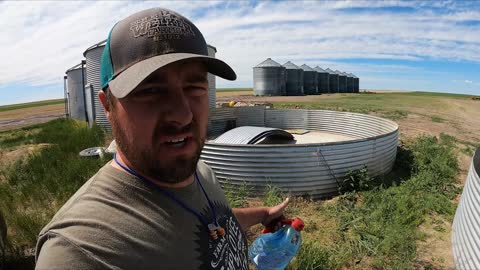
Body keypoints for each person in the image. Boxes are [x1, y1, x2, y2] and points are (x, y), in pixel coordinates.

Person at [35, 7, 289, 270]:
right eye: (151, 90)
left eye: (194, 87)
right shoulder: (80, 252)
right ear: (107, 106)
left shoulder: (202, 174)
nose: (182, 114)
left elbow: (207, 223)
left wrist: (262, 214)